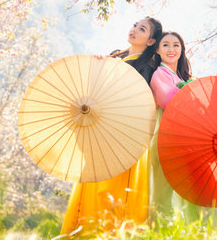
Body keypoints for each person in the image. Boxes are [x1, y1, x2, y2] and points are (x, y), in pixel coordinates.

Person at [60, 17, 163, 235]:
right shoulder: (115, 55)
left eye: (142, 29)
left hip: (122, 135)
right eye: (134, 25)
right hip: (99, 129)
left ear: (151, 40)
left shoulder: (146, 67)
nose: (134, 29)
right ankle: (83, 231)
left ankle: (109, 233)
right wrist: (98, 68)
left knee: (112, 188)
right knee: (92, 181)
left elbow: (134, 100)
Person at [148, 31, 217, 227]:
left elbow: (204, 113)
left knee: (201, 192)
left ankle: (205, 232)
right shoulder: (159, 75)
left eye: (176, 45)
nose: (171, 49)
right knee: (162, 196)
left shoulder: (187, 78)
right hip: (166, 143)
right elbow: (171, 102)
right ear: (158, 50)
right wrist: (192, 91)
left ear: (182, 50)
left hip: (189, 144)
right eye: (165, 45)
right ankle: (161, 233)